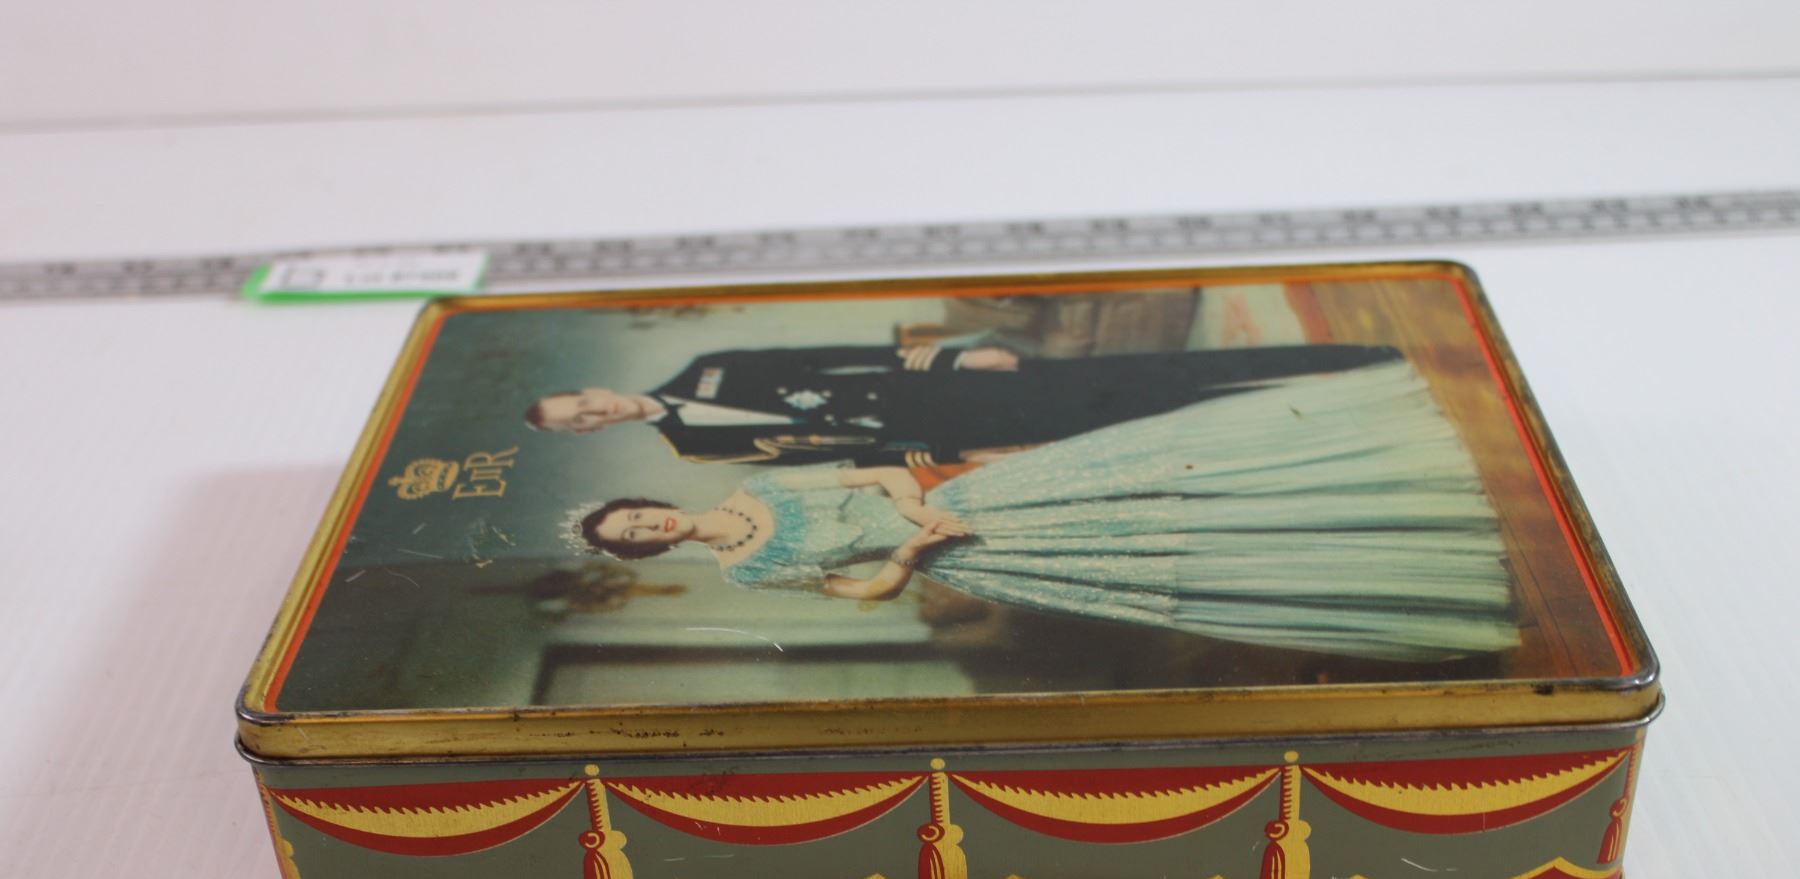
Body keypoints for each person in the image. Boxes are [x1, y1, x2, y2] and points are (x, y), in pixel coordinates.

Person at [574, 358, 1520, 662]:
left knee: (1144, 482)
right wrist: (911, 558)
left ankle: (1356, 476)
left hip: (966, 506)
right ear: (646, 554)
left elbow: (873, 472)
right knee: (1153, 559)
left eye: (638, 516)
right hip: (975, 557)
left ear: (650, 505)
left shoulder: (759, 488)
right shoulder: (746, 568)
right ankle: (1383, 547)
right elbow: (859, 595)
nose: (650, 528)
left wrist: (917, 510)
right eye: (635, 540)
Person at [528, 342, 1405, 466]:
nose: (596, 414)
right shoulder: (692, 447)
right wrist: (953, 456)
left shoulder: (710, 366)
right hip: (943, 428)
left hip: (945, 383)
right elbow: (834, 457)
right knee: (1142, 422)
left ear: (593, 389)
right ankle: (1340, 412)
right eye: (581, 425)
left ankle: (1346, 360)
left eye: (584, 402)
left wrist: (952, 355)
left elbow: (830, 356)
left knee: (1153, 374)